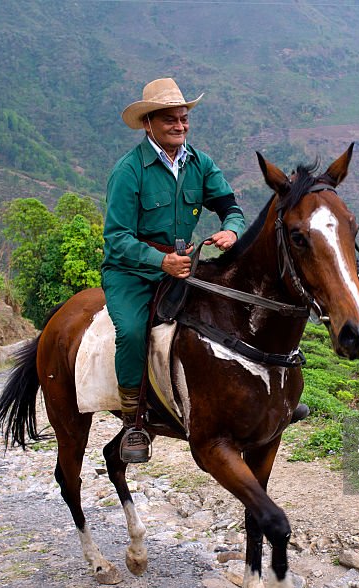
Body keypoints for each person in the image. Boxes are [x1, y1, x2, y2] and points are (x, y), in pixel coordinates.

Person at [102, 77, 245, 463]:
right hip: (131, 271)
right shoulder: (129, 171)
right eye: (170, 120)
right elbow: (116, 238)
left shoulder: (200, 164)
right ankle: (133, 421)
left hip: (183, 266)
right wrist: (158, 260)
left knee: (222, 318)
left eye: (183, 119)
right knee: (132, 331)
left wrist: (232, 230)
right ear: (149, 124)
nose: (180, 126)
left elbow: (231, 207)